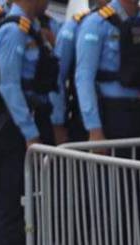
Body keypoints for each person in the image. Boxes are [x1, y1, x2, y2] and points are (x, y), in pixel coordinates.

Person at [0, 0, 62, 245]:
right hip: (14, 132)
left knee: (31, 209)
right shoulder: (12, 31)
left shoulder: (36, 29)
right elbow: (9, 87)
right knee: (10, 209)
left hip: (34, 123)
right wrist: (29, 132)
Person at [74, 0, 140, 160]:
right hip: (115, 115)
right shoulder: (97, 23)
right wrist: (95, 130)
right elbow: (84, 78)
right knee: (115, 181)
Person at [54, 0, 109, 143]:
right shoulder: (75, 26)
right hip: (85, 119)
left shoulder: (134, 22)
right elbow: (57, 78)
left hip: (120, 117)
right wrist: (58, 123)